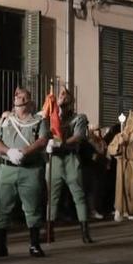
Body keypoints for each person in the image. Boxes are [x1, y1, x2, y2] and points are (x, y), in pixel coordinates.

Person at [0, 86, 49, 257]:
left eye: (21, 95)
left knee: (32, 207)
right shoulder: (6, 120)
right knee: (2, 207)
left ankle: (35, 244)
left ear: (29, 102)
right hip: (7, 168)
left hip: (30, 169)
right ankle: (1, 245)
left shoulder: (38, 120)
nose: (17, 96)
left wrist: (24, 152)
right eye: (16, 95)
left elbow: (43, 140)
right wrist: (9, 152)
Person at [44, 86, 95, 243]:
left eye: (66, 94)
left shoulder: (78, 118)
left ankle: (85, 232)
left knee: (78, 195)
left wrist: (62, 143)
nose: (62, 96)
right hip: (55, 160)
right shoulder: (50, 117)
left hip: (70, 158)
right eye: (61, 94)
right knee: (52, 197)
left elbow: (79, 136)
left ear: (72, 101)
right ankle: (49, 232)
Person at [108, 107, 133, 223]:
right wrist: (119, 146)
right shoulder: (121, 136)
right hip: (124, 166)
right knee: (123, 190)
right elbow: (111, 148)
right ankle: (121, 210)